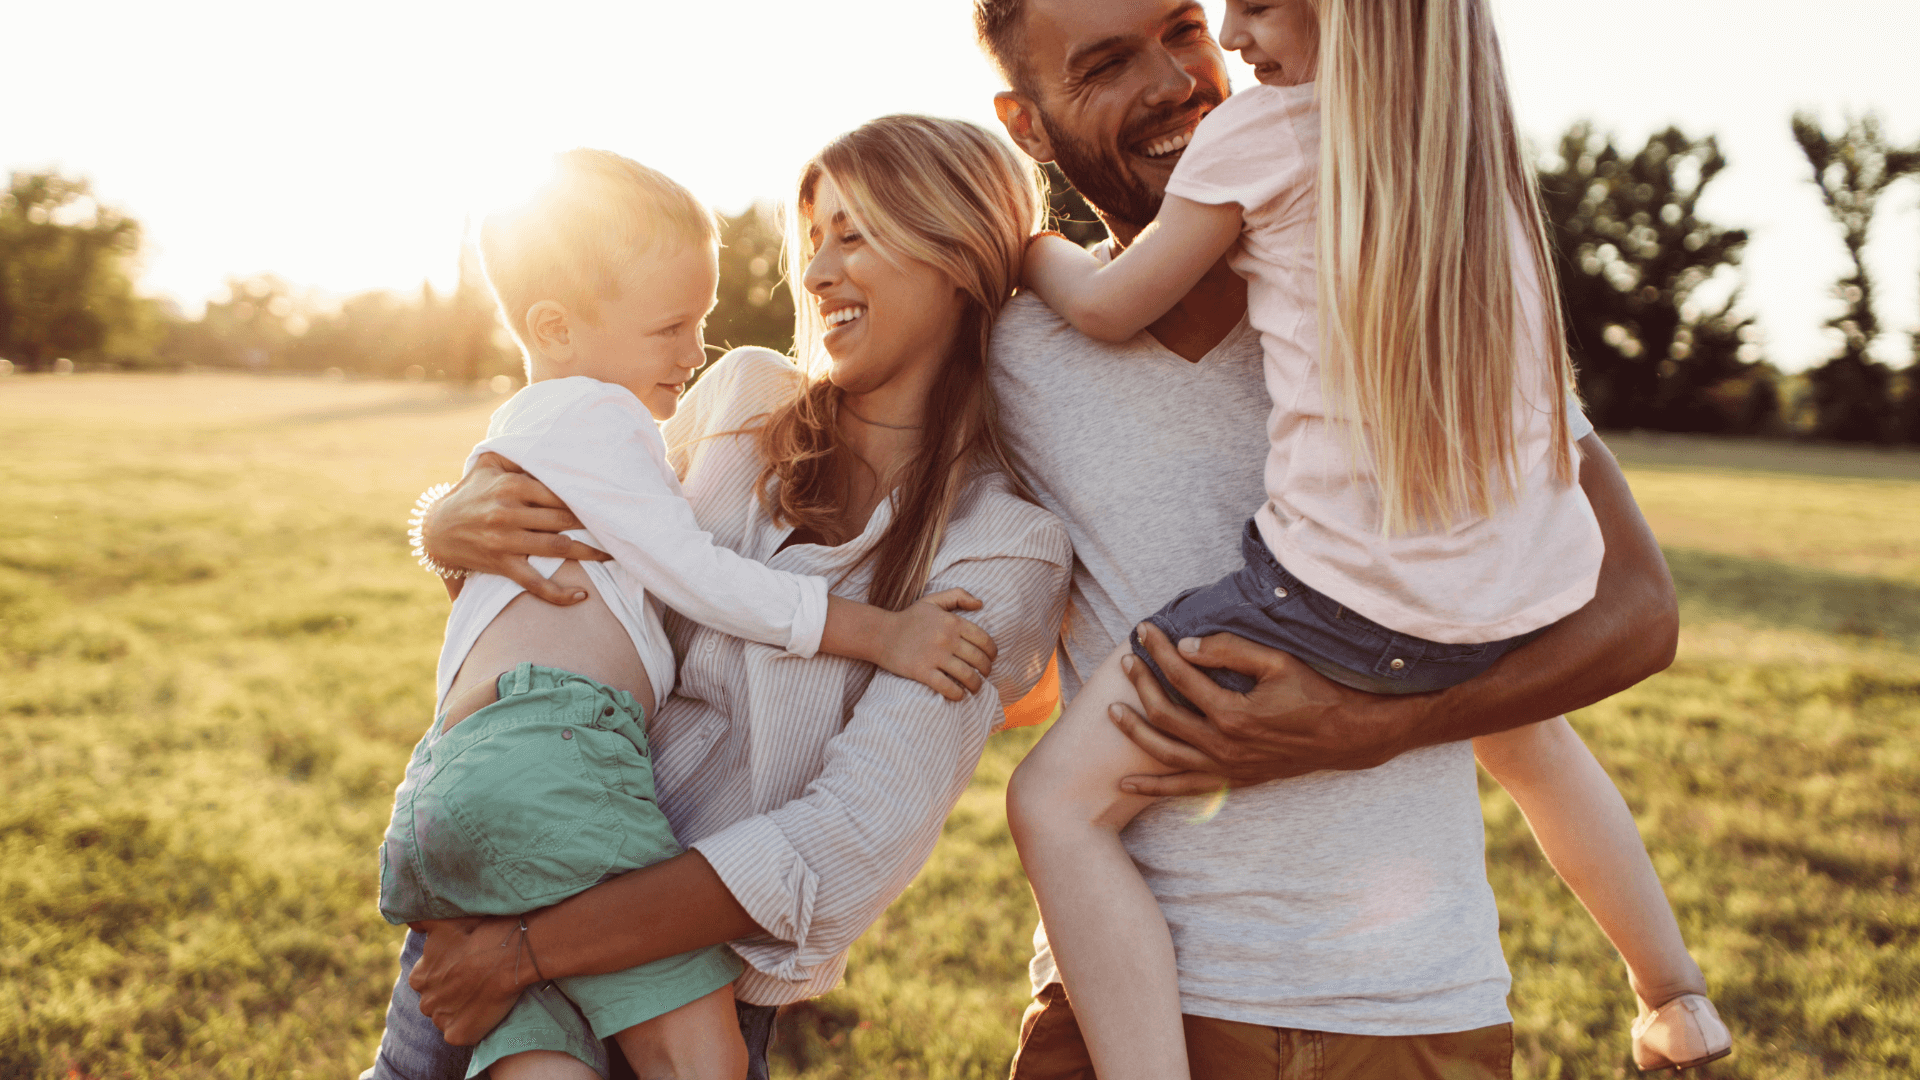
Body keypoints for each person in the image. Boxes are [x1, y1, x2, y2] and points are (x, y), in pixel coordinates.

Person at [967, 0, 1702, 1076]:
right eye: (1108, 65)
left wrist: (1381, 723)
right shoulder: (1006, 354)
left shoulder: (1424, 271)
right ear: (1025, 124)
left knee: (1052, 802)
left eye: (1187, 29)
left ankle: (1670, 985)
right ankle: (1671, 988)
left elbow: (1642, 615)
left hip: (1403, 1011)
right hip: (1115, 1008)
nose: (1179, 78)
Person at [365, 118, 1071, 1080]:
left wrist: (534, 951)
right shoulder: (741, 401)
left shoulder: (1004, 548)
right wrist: (445, 526)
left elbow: (846, 842)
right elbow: (581, 563)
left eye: (854, 235)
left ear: (958, 253)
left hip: (661, 968)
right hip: (514, 867)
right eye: (813, 238)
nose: (816, 274)